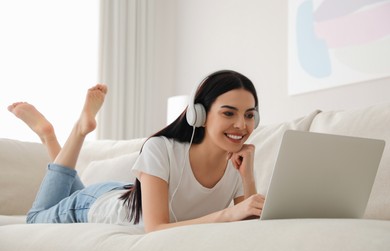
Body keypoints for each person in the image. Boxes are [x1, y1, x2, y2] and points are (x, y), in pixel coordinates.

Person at [8, 70, 265, 233]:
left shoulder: (238, 162)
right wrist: (228, 213)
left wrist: (248, 177)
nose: (242, 125)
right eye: (229, 113)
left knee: (72, 190)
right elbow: (156, 229)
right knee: (36, 219)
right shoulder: (161, 148)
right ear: (199, 114)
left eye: (249, 115)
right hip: (98, 204)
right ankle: (55, 132)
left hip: (126, 194)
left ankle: (55, 137)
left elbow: (246, 231)